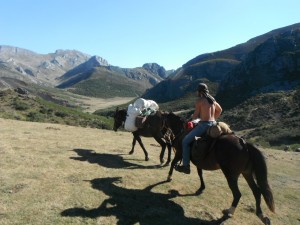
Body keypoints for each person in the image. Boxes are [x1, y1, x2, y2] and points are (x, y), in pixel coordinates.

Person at [175, 83, 222, 174]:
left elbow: (196, 115)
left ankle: (186, 166)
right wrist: (213, 119)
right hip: (214, 124)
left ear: (199, 91)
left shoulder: (200, 101)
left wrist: (191, 119)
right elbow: (220, 110)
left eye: (197, 91)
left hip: (204, 125)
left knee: (185, 141)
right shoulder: (212, 100)